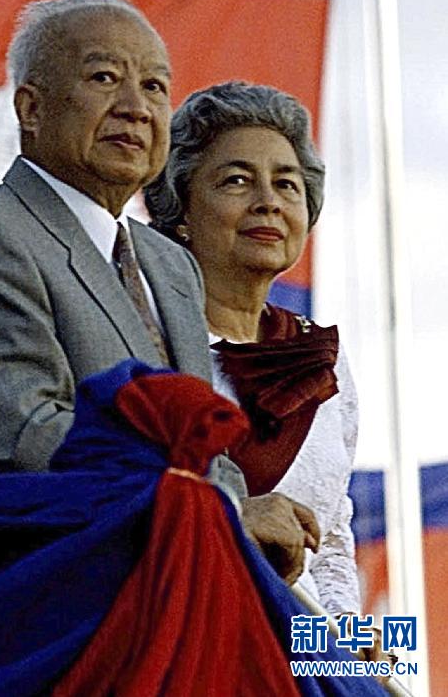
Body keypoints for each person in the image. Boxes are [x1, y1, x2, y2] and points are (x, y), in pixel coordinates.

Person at [0, 0, 319, 584]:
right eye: (105, 78)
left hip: (180, 584)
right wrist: (228, 512)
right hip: (52, 601)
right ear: (30, 108)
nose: (136, 108)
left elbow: (204, 446)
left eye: (156, 88)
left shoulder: (168, 263)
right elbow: (28, 437)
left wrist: (239, 519)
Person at [144, 80, 361, 615]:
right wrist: (233, 511)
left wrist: (353, 656)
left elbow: (333, 536)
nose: (268, 202)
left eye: (287, 185)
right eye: (238, 181)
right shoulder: (144, 340)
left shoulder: (321, 358)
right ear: (181, 211)